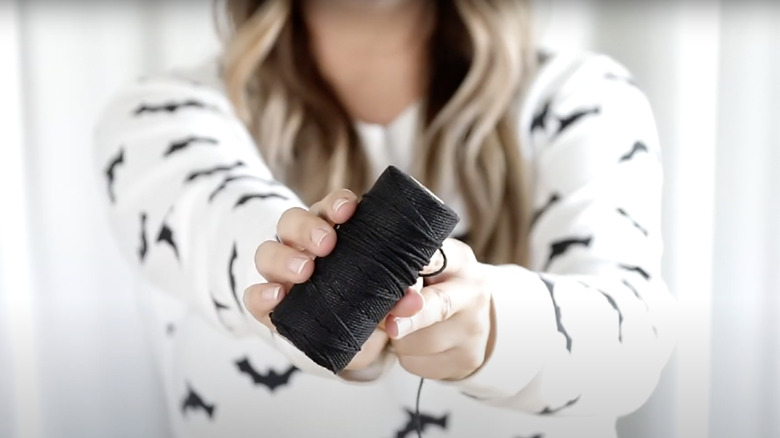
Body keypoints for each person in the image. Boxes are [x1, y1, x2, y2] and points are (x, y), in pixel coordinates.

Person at [94, 0, 677, 436]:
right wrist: (298, 268)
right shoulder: (157, 120)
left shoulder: (579, 100)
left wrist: (496, 328)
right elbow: (218, 220)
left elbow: (631, 342)